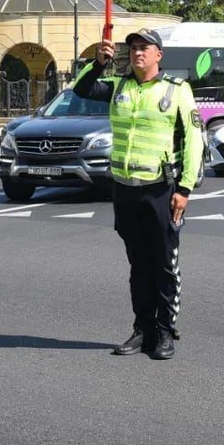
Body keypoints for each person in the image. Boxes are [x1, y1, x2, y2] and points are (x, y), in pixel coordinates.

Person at [73, 28, 204, 360]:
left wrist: (185, 189)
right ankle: (142, 328)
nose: (136, 53)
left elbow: (194, 142)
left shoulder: (176, 90)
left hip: (161, 190)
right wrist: (97, 63)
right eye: (132, 48)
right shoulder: (119, 86)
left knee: (163, 264)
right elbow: (81, 89)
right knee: (138, 265)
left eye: (144, 48)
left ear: (158, 54)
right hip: (125, 189)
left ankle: (164, 332)